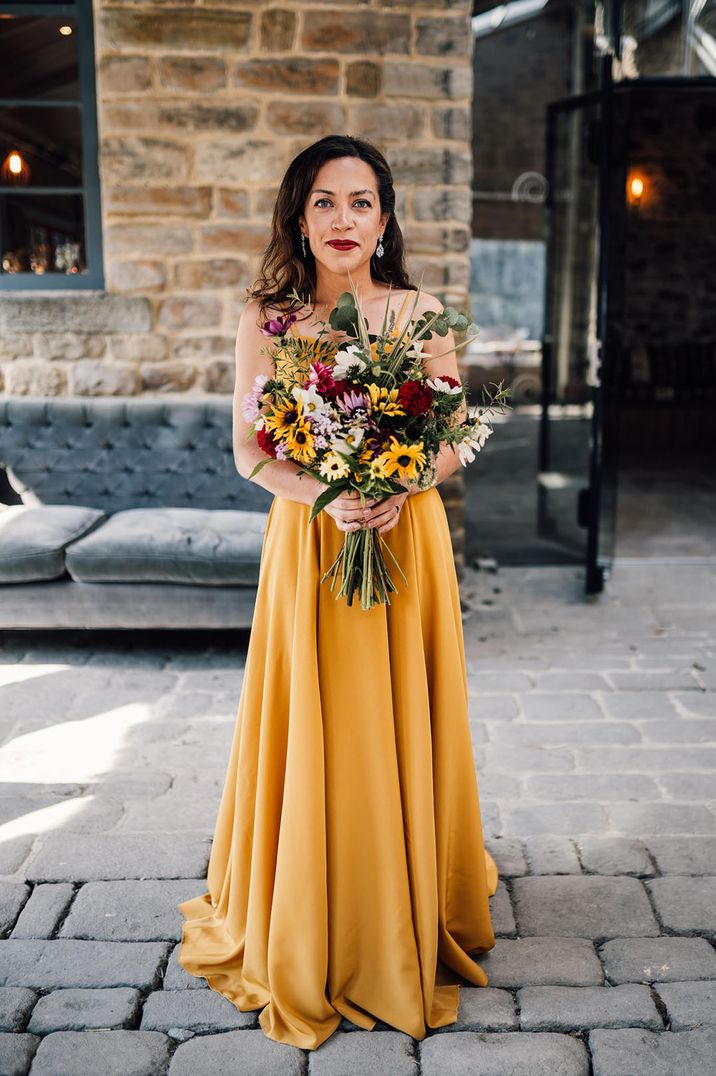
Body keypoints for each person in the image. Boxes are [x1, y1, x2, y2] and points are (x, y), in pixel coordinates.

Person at [177, 134, 497, 1052]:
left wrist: (399, 482)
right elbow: (251, 455)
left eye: (361, 202)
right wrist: (330, 493)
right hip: (311, 546)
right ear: (299, 217)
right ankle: (310, 910)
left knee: (399, 718)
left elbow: (450, 435)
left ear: (385, 219)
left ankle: (404, 896)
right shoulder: (268, 321)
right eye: (324, 202)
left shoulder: (422, 311)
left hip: (405, 541)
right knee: (319, 725)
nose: (344, 219)